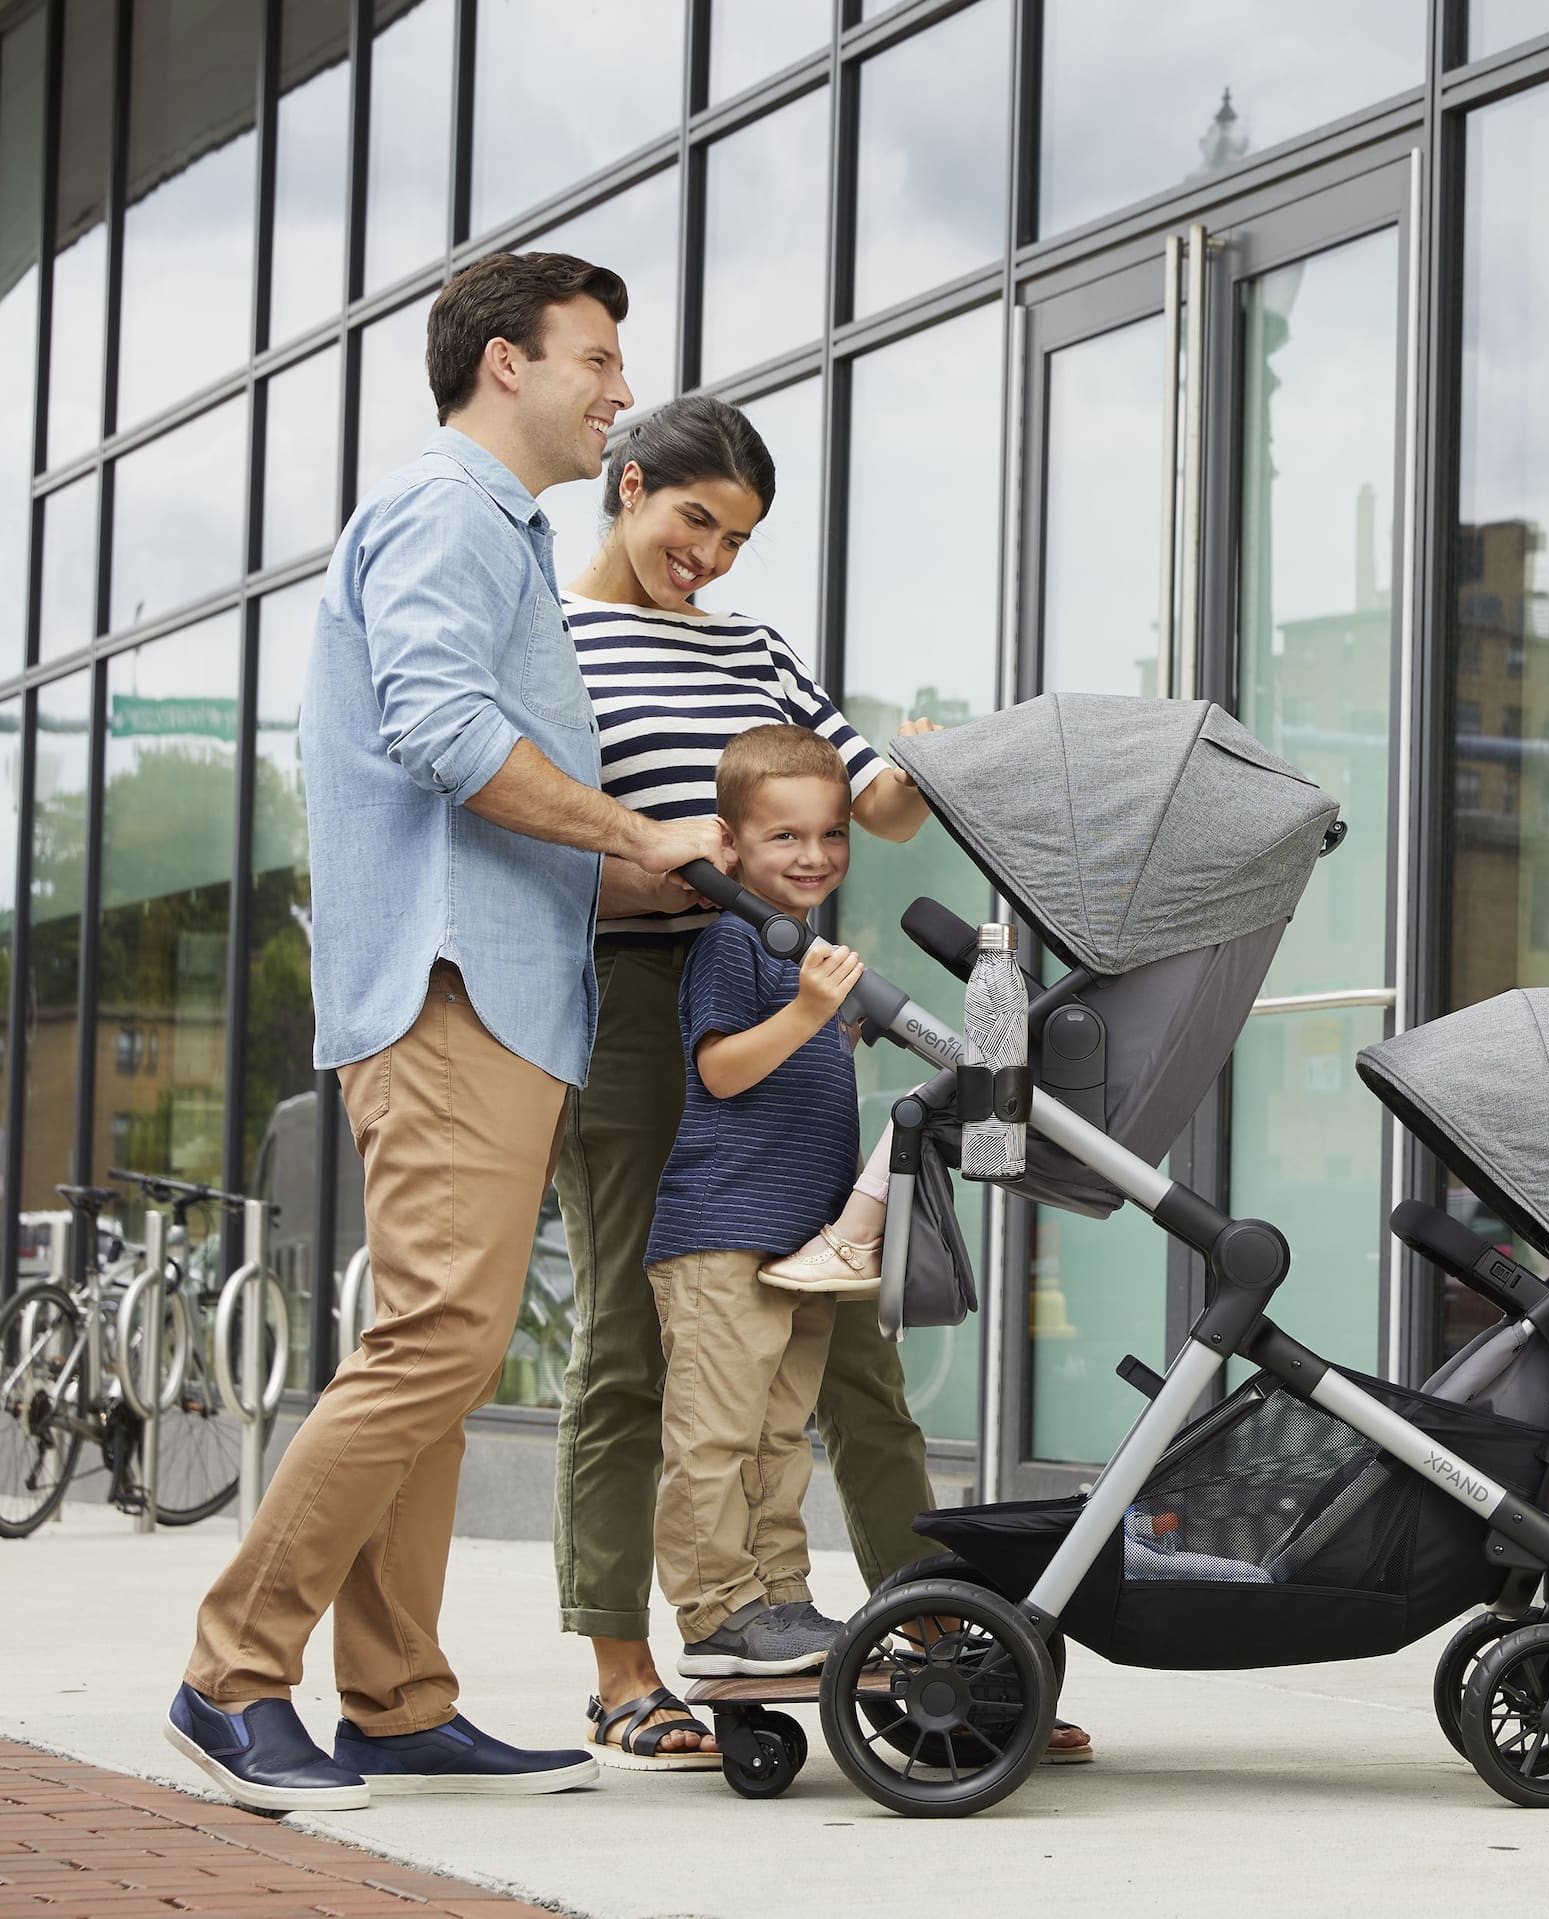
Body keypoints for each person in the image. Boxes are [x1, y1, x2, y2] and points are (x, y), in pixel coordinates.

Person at [164, 250, 725, 1815]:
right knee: (434, 1345)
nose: (622, 391)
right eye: (599, 360)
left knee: (441, 1350)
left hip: (500, 981)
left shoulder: (502, 536)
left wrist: (637, 862)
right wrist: (637, 825)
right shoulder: (442, 513)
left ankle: (400, 1702)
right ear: (504, 364)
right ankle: (230, 1674)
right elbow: (441, 728)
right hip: (448, 985)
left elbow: (485, 768)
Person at [554, 396, 1090, 1766]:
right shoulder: (554, 639)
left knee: (849, 1343)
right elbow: (545, 840)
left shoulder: (757, 648)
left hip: (793, 1003)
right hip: (631, 1004)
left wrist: (923, 760)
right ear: (626, 488)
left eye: (737, 537)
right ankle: (628, 1664)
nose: (713, 559)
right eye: (694, 522)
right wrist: (680, 856)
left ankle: (941, 1651)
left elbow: (871, 800)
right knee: (634, 1336)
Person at [647, 725, 870, 1673]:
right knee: (717, 1432)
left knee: (782, 1433)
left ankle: (778, 1595)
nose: (812, 855)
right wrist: (812, 1014)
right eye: (785, 837)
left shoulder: (805, 953)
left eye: (830, 834)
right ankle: (715, 1611)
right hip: (723, 1235)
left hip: (798, 1243)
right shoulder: (734, 942)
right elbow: (723, 1073)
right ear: (730, 847)